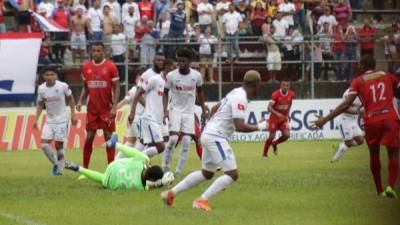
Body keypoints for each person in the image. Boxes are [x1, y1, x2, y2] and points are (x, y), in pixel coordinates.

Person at [161, 70, 267, 211]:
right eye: (260, 85)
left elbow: (215, 107)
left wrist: (208, 127)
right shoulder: (240, 98)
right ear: (256, 84)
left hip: (209, 134)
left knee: (207, 173)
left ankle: (170, 193)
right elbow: (240, 126)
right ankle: (201, 201)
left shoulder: (235, 92)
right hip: (216, 137)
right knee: (232, 174)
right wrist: (259, 127)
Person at [312, 55, 400, 198]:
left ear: (364, 65)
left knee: (374, 154)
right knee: (394, 154)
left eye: (359, 64)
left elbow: (346, 104)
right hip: (390, 118)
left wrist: (326, 119)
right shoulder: (388, 76)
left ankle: (379, 190)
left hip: (372, 120)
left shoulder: (358, 81)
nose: (357, 66)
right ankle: (390, 185)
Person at [65, 134, 174, 190]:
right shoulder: (141, 188)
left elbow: (142, 161)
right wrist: (161, 183)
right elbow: (150, 185)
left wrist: (147, 163)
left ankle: (116, 144)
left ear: (150, 168)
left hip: (114, 165)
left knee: (141, 156)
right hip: (109, 182)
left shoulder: (143, 162)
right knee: (103, 179)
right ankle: (79, 169)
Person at [162, 48, 207, 176]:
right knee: (173, 139)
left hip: (189, 112)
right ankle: (165, 165)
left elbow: (200, 92)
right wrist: (165, 110)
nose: (180, 64)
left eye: (183, 61)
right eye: (179, 61)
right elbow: (164, 93)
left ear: (190, 62)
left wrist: (203, 109)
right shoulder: (171, 76)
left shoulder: (196, 76)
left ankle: (178, 171)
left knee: (187, 141)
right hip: (175, 110)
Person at [77, 42, 120, 169]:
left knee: (108, 138)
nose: (96, 53)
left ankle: (111, 169)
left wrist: (115, 107)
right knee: (89, 137)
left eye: (98, 51)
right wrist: (80, 101)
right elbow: (86, 87)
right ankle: (85, 168)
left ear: (103, 51)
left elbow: (117, 87)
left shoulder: (111, 67)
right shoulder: (86, 67)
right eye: (94, 51)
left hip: (106, 109)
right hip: (92, 110)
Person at [33, 66, 77, 175]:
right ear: (43, 76)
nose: (49, 77)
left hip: (62, 120)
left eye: (52, 74)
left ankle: (60, 171)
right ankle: (58, 164)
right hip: (49, 121)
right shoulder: (41, 89)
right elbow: (40, 104)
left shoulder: (63, 86)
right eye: (47, 75)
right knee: (44, 145)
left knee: (58, 145)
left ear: (56, 76)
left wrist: (73, 115)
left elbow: (71, 99)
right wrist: (36, 119)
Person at [128, 52, 166, 158]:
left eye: (162, 60)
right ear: (153, 61)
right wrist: (133, 111)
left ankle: (140, 166)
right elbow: (138, 94)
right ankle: (135, 160)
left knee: (147, 143)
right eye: (158, 60)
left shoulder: (162, 76)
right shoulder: (147, 75)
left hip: (156, 117)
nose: (160, 62)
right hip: (145, 116)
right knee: (154, 144)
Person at [262, 79, 295, 157]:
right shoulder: (275, 94)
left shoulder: (292, 94)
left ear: (289, 87)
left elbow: (289, 104)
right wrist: (277, 114)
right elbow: (269, 108)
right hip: (274, 118)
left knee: (287, 135)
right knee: (271, 136)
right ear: (280, 86)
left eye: (287, 85)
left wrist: (287, 114)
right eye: (284, 85)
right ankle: (265, 153)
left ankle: (274, 143)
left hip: (283, 118)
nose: (285, 87)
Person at [331, 89, 364, 162]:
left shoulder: (365, 93)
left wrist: (363, 121)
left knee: (360, 141)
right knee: (348, 143)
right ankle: (335, 160)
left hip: (353, 120)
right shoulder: (348, 93)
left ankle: (339, 146)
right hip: (344, 119)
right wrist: (358, 110)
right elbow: (344, 109)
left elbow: (363, 110)